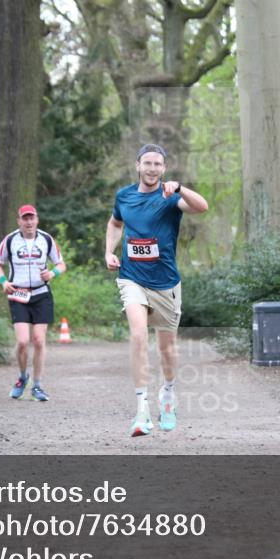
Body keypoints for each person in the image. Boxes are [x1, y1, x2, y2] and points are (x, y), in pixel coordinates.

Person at [105, 144, 209, 436]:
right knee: (138, 335)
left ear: (164, 169)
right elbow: (115, 223)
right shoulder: (124, 196)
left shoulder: (169, 197)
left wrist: (180, 189)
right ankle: (142, 411)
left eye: (158, 164)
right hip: (131, 277)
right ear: (137, 165)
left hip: (165, 283)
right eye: (147, 163)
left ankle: (168, 394)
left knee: (167, 349)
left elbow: (202, 207)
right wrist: (109, 251)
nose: (152, 168)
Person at [0, 204, 66, 402]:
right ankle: (23, 376)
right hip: (18, 295)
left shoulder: (46, 239)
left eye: (31, 218)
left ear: (37, 219)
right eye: (24, 219)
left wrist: (52, 273)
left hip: (41, 294)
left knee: (39, 341)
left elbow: (61, 264)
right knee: (23, 341)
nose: (28, 222)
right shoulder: (10, 241)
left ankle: (38, 385)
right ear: (19, 221)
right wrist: (3, 282)